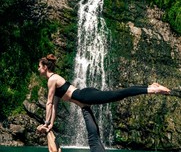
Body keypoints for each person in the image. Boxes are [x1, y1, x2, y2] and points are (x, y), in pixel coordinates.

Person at [38, 54, 171, 131]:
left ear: (45, 67)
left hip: (85, 96)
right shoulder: (54, 79)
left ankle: (152, 89)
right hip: (84, 96)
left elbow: (49, 103)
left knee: (119, 94)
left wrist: (45, 123)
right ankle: (150, 86)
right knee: (118, 94)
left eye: (39, 67)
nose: (38, 69)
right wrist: (50, 125)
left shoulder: (52, 80)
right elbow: (54, 105)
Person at [32, 106, 114, 152]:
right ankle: (85, 107)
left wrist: (49, 129)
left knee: (95, 137)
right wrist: (47, 132)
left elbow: (57, 150)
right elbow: (52, 151)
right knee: (94, 138)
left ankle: (86, 108)